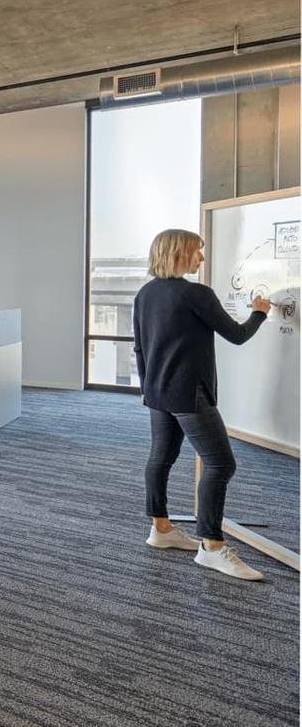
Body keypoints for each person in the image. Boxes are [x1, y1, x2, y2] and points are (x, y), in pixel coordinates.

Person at [134, 228, 270, 581]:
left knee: (160, 458)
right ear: (179, 253)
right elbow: (237, 335)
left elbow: (139, 349)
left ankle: (160, 530)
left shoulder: (145, 294)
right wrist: (260, 312)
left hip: (157, 392)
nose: (202, 258)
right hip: (188, 394)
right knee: (221, 464)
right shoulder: (197, 294)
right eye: (198, 251)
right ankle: (211, 547)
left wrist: (148, 388)